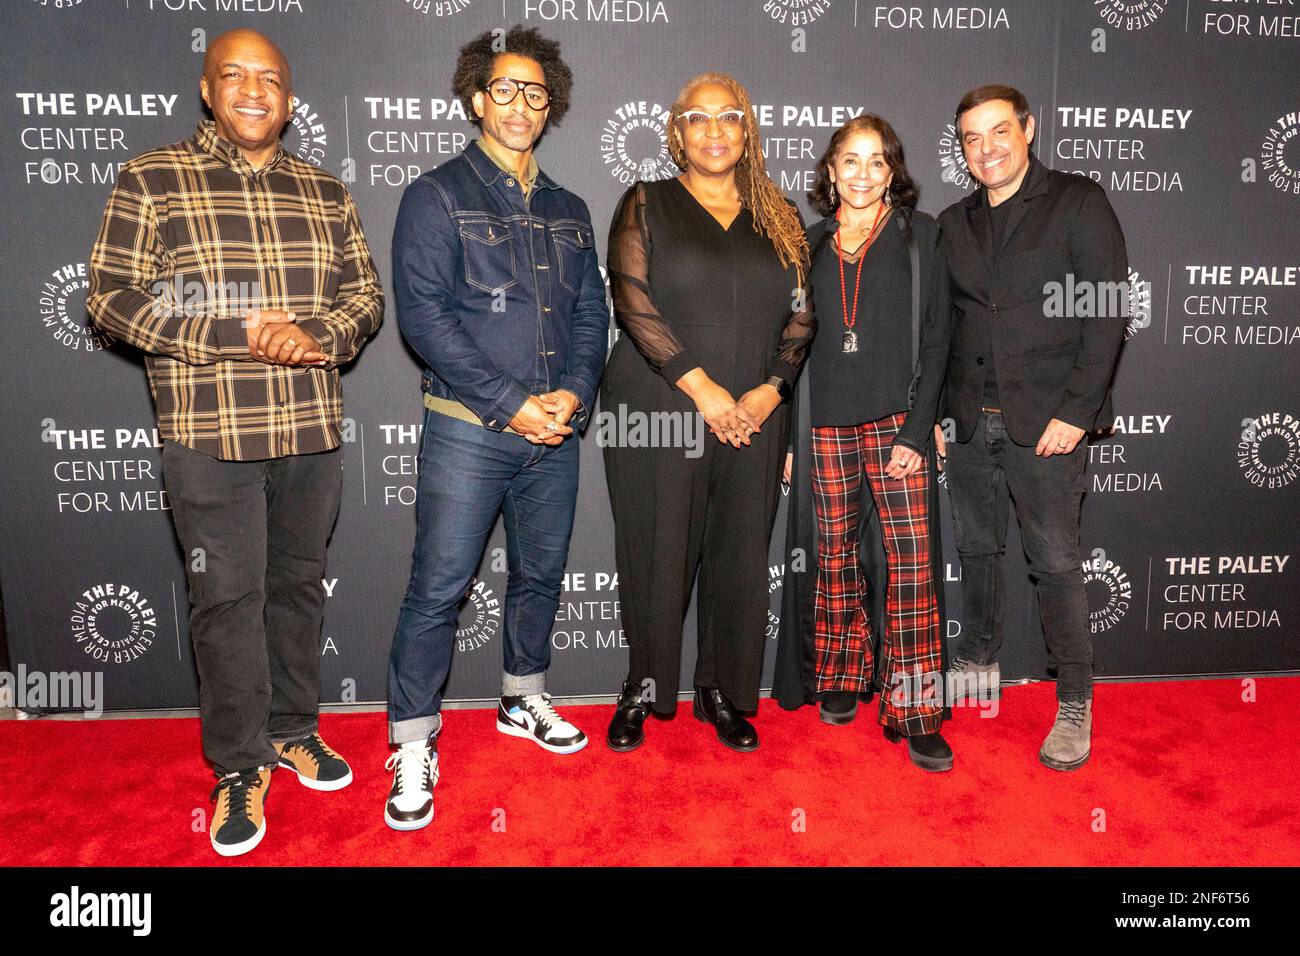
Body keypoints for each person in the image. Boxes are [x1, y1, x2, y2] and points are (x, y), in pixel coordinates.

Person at [87, 29, 383, 857]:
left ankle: (294, 727)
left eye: (271, 80)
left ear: (290, 98)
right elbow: (109, 298)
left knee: (298, 592)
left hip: (309, 432)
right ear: (207, 90)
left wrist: (319, 333)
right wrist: (232, 333)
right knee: (226, 603)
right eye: (235, 76)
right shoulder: (153, 178)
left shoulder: (325, 190)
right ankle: (238, 764)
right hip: (206, 432)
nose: (255, 91)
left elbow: (365, 295)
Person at [383, 26, 608, 831]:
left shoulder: (571, 208)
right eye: (505, 89)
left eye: (536, 92)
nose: (520, 104)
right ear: (478, 97)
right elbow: (426, 320)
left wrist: (574, 394)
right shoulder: (436, 195)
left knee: (541, 577)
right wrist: (516, 401)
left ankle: (524, 697)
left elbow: (591, 314)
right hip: (470, 431)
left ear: (552, 106)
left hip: (556, 433)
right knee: (438, 590)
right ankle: (413, 738)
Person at [602, 72, 813, 754]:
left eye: (730, 117)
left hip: (754, 416)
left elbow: (802, 320)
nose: (715, 130)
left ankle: (720, 688)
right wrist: (704, 389)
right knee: (656, 551)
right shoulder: (645, 203)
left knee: (739, 554)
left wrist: (767, 391)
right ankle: (642, 684)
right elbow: (633, 301)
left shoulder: (779, 214)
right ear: (677, 131)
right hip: (658, 407)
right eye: (700, 118)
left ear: (747, 130)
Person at [937, 84, 1128, 771]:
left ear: (1028, 129)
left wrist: (1076, 414)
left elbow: (1106, 314)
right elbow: (949, 328)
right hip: (968, 422)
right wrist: (939, 414)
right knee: (978, 549)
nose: (985, 148)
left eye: (997, 132)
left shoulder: (1078, 200)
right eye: (970, 139)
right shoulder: (954, 222)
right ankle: (978, 656)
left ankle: (1075, 696)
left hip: (1048, 426)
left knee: (1054, 562)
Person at [772, 116, 954, 772]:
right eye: (850, 160)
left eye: (877, 162)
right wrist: (788, 432)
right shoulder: (808, 242)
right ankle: (844, 677)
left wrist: (917, 426)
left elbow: (937, 341)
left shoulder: (920, 236)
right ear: (829, 170)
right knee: (833, 557)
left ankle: (916, 708)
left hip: (895, 423)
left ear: (893, 172)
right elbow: (790, 343)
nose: (862, 173)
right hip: (821, 424)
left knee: (909, 565)